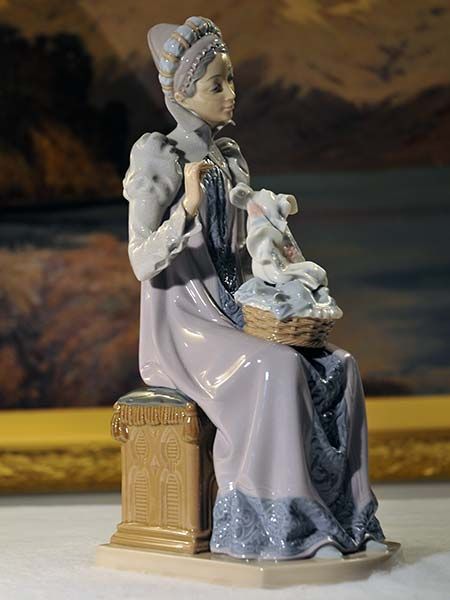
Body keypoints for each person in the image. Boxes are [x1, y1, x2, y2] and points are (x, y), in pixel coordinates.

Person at [123, 15, 386, 560]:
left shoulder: (228, 158)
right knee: (277, 368)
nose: (230, 93)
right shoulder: (160, 157)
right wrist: (187, 209)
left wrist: (281, 258)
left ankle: (345, 514)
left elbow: (246, 250)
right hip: (184, 323)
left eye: (231, 80)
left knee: (338, 366)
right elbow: (140, 259)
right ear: (181, 94)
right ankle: (282, 524)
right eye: (216, 84)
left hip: (235, 309)